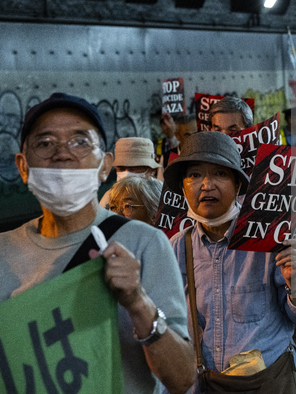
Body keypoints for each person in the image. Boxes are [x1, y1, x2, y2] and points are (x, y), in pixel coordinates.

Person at [0, 92, 194, 393]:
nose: (62, 154)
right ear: (23, 166)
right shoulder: (3, 251)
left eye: (80, 142)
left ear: (105, 166)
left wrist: (138, 301)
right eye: (45, 143)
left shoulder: (146, 243)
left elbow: (181, 379)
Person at [164, 131, 296, 393]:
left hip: (268, 381)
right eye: (195, 175)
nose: (206, 185)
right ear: (183, 187)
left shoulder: (267, 238)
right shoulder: (176, 247)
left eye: (220, 174)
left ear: (237, 186)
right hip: (208, 384)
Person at [99, 137, 160, 208]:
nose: (127, 174)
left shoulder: (162, 198)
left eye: (133, 169)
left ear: (151, 170)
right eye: (121, 169)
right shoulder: (108, 198)